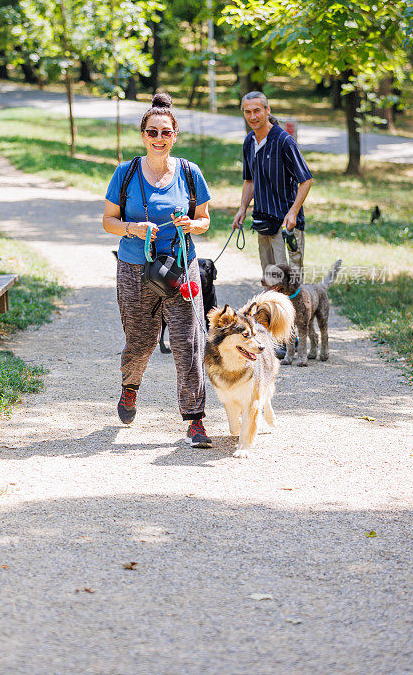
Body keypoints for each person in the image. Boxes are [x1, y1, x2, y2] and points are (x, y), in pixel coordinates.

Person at [103, 93, 213, 448]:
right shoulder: (126, 172)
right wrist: (132, 228)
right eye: (152, 131)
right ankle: (130, 389)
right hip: (136, 268)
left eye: (166, 132)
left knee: (188, 342)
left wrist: (193, 226)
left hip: (180, 268)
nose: (159, 138)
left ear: (175, 135)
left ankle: (195, 420)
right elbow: (108, 221)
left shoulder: (189, 173)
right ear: (143, 134)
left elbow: (205, 220)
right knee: (141, 342)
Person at [233, 91, 313, 277]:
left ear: (267, 110)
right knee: (270, 280)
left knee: (289, 285)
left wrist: (293, 213)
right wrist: (242, 209)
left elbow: (306, 180)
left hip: (287, 225)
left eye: (257, 110)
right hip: (263, 223)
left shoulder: (284, 141)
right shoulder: (249, 142)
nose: (252, 116)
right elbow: (249, 180)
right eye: (247, 112)